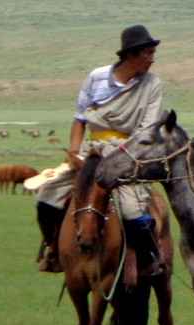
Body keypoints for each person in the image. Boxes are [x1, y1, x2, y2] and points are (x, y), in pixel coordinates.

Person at [34, 24, 167, 277]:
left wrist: (120, 157)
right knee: (46, 194)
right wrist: (74, 152)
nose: (152, 59)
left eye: (152, 53)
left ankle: (149, 257)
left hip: (127, 154)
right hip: (90, 152)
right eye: (147, 53)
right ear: (130, 55)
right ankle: (53, 249)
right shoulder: (96, 77)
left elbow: (147, 131)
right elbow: (79, 119)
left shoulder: (153, 85)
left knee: (131, 209)